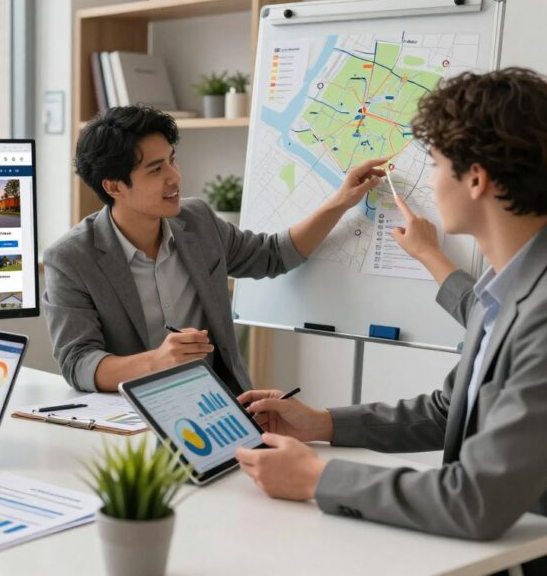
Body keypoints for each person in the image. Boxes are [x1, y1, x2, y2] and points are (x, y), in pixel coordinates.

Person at [234, 68, 547, 557]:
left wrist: (318, 477)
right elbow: (454, 411)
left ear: (477, 179)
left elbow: (477, 500)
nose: (432, 179)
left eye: (437, 164)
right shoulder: (505, 287)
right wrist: (321, 424)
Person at [42, 104, 387, 393]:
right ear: (115, 186)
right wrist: (156, 361)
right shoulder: (71, 259)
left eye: (172, 160)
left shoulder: (198, 220)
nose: (175, 177)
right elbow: (78, 362)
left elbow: (272, 255)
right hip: (133, 416)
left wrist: (341, 202)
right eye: (156, 169)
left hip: (220, 403)